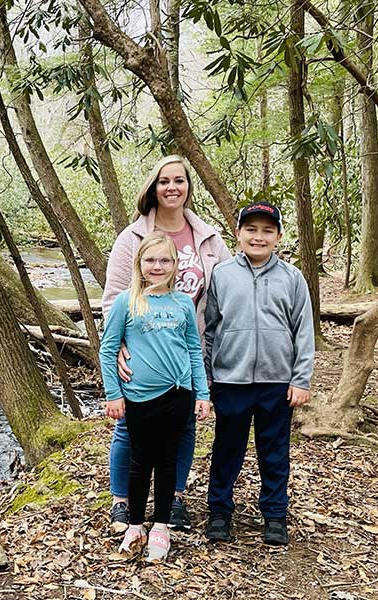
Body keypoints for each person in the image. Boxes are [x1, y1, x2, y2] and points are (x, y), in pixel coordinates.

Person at [102, 155, 230, 533]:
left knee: (185, 427)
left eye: (179, 180)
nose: (172, 187)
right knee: (129, 427)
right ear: (152, 188)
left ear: (189, 187)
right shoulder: (132, 238)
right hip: (140, 351)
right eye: (164, 181)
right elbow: (113, 297)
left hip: (189, 347)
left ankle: (172, 498)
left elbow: (222, 290)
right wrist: (120, 344)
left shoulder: (208, 237)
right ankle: (122, 501)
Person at [203, 201, 314, 546]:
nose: (258, 237)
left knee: (275, 451)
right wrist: (207, 378)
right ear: (237, 234)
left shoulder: (292, 278)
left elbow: (304, 331)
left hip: (276, 382)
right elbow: (210, 329)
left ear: (278, 237)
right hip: (230, 380)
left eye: (267, 230)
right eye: (251, 229)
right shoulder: (222, 275)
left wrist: (301, 378)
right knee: (227, 449)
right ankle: (220, 511)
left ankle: (275, 515)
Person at [100, 232, 210, 562]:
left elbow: (193, 349)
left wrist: (201, 393)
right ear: (139, 264)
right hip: (138, 397)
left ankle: (161, 525)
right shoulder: (127, 301)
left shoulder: (182, 304)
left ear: (175, 265)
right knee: (139, 462)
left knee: (166, 462)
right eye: (151, 260)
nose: (157, 266)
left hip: (178, 395)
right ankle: (135, 524)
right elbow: (108, 350)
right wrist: (113, 394)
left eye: (165, 260)